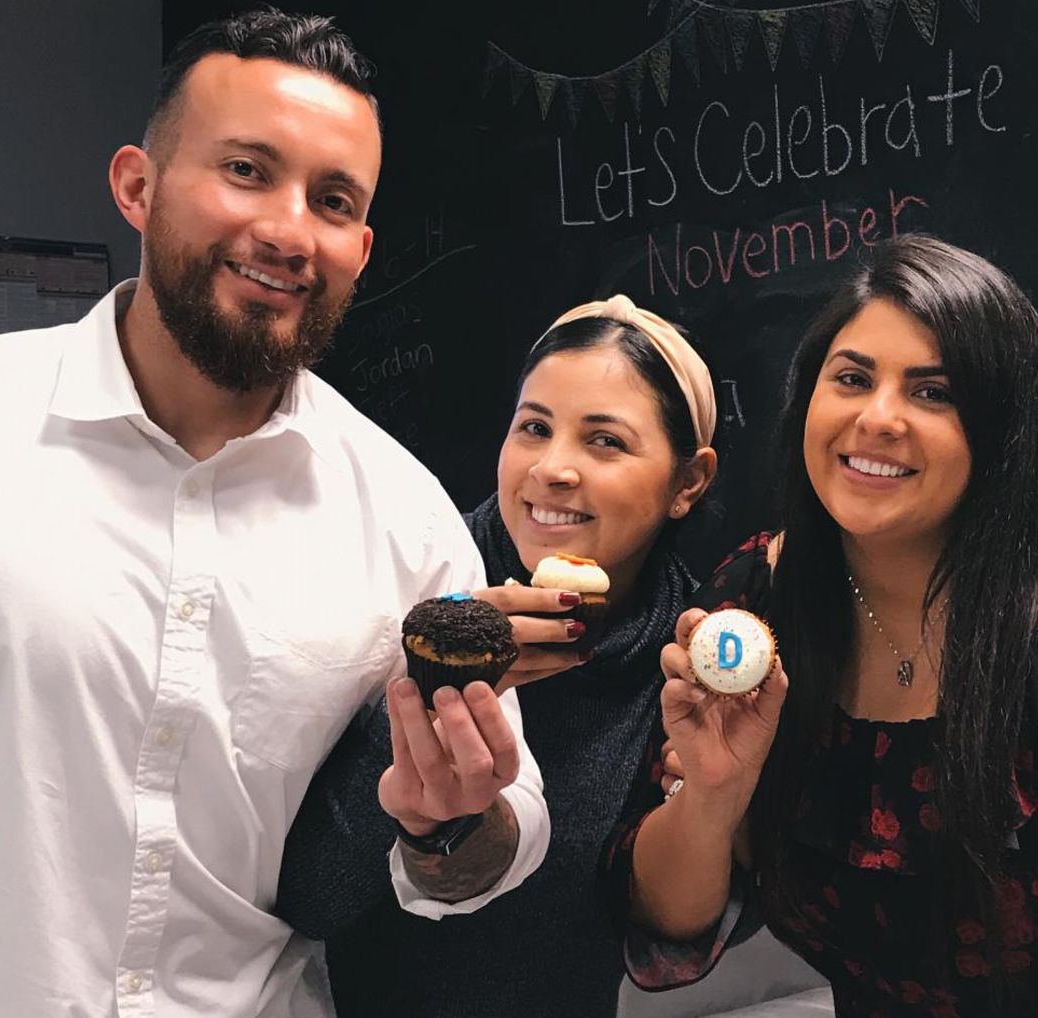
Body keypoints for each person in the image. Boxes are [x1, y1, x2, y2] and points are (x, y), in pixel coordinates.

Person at [0, 12, 549, 1018]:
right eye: (244, 169)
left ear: (359, 249)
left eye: (329, 200)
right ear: (137, 185)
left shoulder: (401, 514)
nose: (283, 228)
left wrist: (445, 824)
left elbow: (502, 828)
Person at [608, 235, 1038, 1016]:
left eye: (933, 392)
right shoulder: (755, 603)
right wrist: (711, 796)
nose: (878, 418)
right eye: (852, 378)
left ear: (1000, 430)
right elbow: (667, 942)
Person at [276, 295, 718, 1016]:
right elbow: (311, 899)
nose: (553, 468)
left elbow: (669, 945)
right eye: (534, 428)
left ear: (688, 482)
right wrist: (433, 686)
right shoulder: (418, 584)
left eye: (605, 441)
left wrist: (712, 799)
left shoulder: (686, 658)